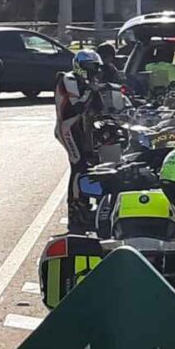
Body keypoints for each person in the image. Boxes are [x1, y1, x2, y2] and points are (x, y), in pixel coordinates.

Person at [55, 50, 105, 231]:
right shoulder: (69, 79)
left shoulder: (87, 82)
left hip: (82, 127)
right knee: (79, 165)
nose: (94, 72)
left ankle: (86, 202)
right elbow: (78, 106)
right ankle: (76, 209)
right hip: (68, 127)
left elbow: (98, 107)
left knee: (91, 163)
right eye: (91, 68)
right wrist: (91, 91)